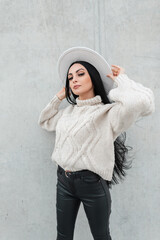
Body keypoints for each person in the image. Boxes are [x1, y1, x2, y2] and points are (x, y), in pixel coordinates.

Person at [38, 47, 155, 240]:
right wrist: (59, 97)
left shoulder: (108, 113)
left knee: (101, 236)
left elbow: (139, 103)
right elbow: (44, 121)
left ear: (93, 77)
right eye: (70, 77)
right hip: (63, 181)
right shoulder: (68, 113)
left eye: (80, 74)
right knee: (62, 236)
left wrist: (122, 80)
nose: (74, 79)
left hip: (92, 184)